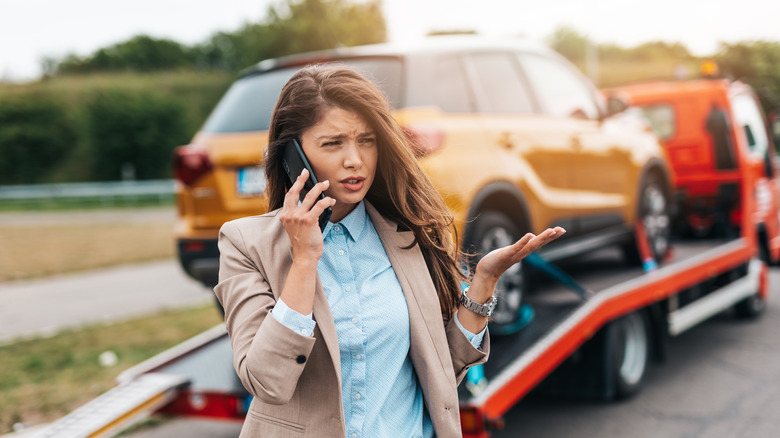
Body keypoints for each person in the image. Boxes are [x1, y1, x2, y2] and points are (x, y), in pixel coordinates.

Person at [214, 65, 564, 438]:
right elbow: (267, 382)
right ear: (292, 154)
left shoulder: (409, 234)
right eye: (333, 143)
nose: (355, 159)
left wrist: (484, 282)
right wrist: (303, 260)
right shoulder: (245, 244)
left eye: (366, 140)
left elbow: (443, 369)